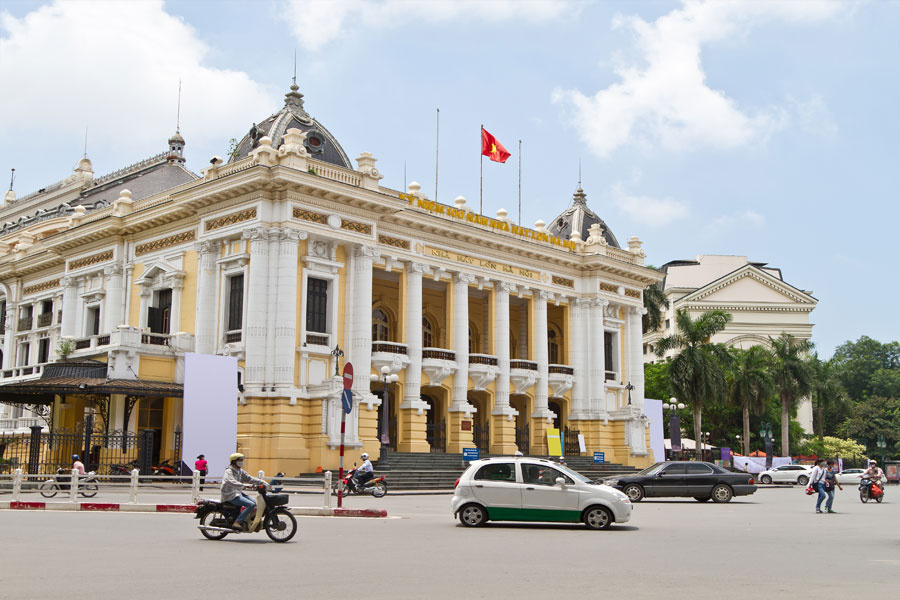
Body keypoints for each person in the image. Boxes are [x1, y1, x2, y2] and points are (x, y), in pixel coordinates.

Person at [221, 453, 268, 531]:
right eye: (240, 460)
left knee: (255, 503)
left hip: (237, 493)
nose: (242, 462)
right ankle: (237, 522)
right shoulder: (229, 471)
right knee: (250, 504)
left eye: (242, 460)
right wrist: (244, 486)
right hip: (230, 495)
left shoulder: (240, 471)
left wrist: (263, 482)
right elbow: (231, 481)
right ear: (234, 461)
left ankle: (247, 520)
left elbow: (250, 479)